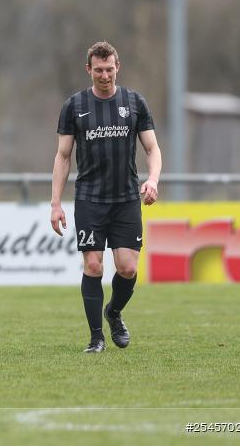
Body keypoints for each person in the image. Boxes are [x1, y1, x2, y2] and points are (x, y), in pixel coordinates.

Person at [50, 41, 162, 353]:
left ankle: (113, 312)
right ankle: (96, 338)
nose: (104, 75)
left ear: (117, 67)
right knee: (93, 265)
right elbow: (63, 156)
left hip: (126, 199)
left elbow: (152, 148)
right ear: (88, 69)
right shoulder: (74, 106)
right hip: (90, 199)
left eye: (109, 69)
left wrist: (153, 180)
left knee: (127, 268)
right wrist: (56, 202)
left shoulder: (134, 102)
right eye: (98, 70)